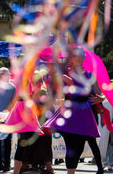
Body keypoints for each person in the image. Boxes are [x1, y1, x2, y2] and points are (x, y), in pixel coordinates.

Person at [43, 46, 105, 174]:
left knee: (80, 146)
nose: (73, 58)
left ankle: (96, 168)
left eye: (76, 55)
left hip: (84, 113)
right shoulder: (66, 73)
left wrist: (101, 99)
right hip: (69, 112)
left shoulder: (89, 75)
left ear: (81, 58)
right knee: (70, 145)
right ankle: (70, 172)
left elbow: (100, 93)